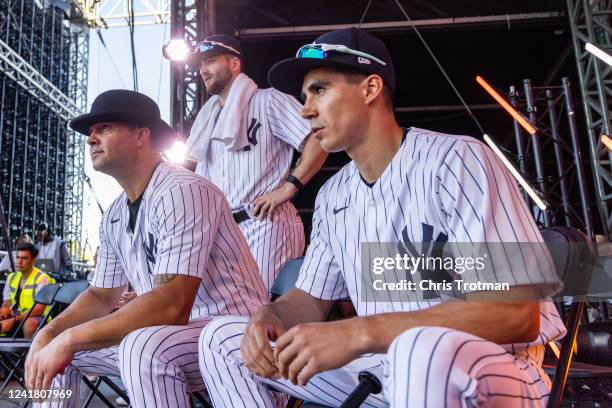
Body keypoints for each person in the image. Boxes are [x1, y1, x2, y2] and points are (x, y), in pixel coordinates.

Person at [198, 28, 567, 407]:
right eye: (305, 95)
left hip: (492, 368)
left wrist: (359, 332)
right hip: (383, 367)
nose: (306, 109)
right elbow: (309, 300)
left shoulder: (455, 160)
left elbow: (517, 314)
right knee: (222, 339)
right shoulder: (334, 195)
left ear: (371, 88)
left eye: (319, 90)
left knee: (421, 350)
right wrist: (267, 316)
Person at [25, 89, 268, 408]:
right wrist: (52, 333)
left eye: (104, 128)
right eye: (91, 132)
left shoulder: (184, 190)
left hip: (233, 331)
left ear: (141, 135)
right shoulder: (114, 214)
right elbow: (100, 296)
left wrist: (72, 337)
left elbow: (172, 305)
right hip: (175, 336)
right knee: (56, 350)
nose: (91, 139)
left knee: (141, 346)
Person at [183, 34, 328, 290]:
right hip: (223, 232)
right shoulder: (207, 118)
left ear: (234, 64)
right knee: (226, 318)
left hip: (264, 222)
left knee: (262, 313)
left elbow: (317, 138)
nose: (203, 70)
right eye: (200, 65)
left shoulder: (268, 100)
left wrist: (290, 185)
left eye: (211, 61)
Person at [1, 243, 55, 339]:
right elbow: (7, 303)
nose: (19, 261)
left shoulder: (42, 278)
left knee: (30, 324)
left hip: (36, 318)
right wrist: (3, 312)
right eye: (18, 257)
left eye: (24, 258)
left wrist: (14, 319)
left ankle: (29, 354)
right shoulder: (12, 277)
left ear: (33, 261)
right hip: (16, 316)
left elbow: (39, 310)